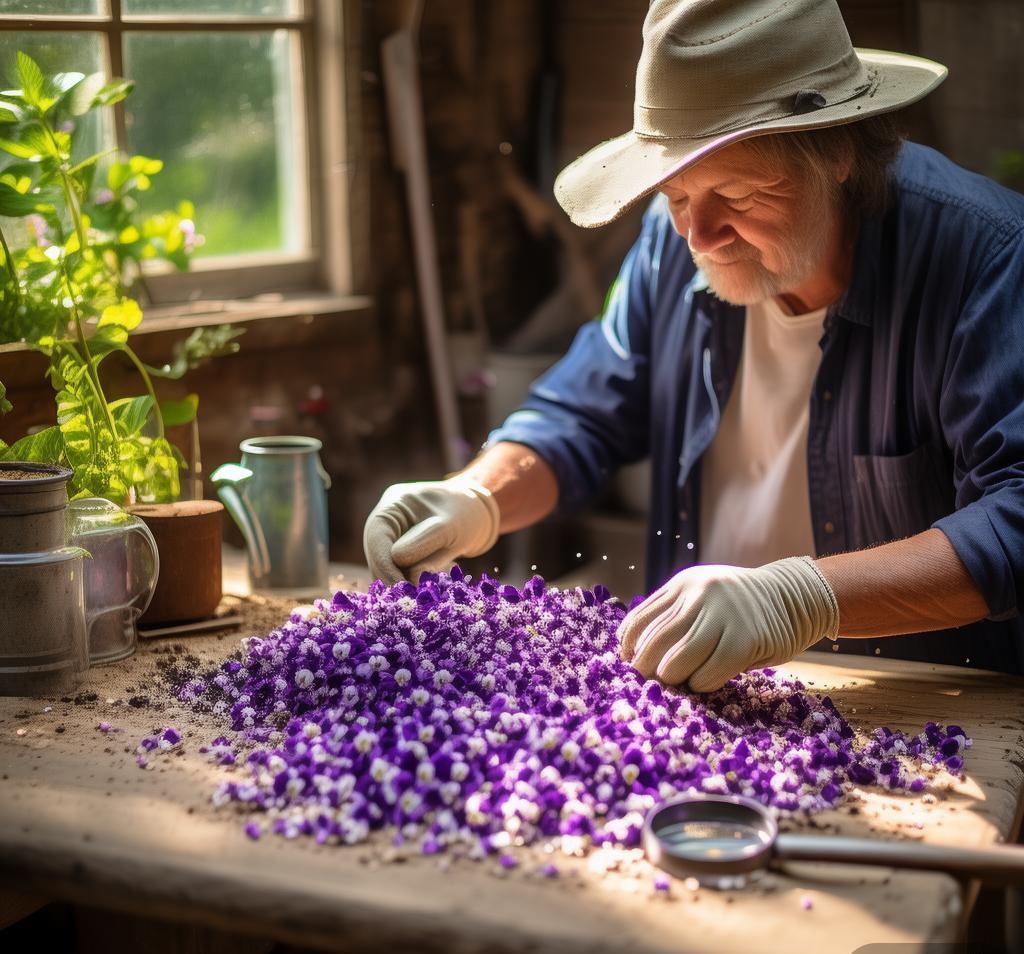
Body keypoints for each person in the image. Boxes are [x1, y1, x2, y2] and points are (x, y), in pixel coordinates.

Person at [364, 0, 1024, 688]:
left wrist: (798, 599)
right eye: (677, 196)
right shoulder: (668, 243)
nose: (697, 236)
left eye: (736, 193)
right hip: (704, 691)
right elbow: (585, 412)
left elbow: (1017, 520)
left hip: (925, 709)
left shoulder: (990, 259)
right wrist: (476, 498)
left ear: (837, 151)